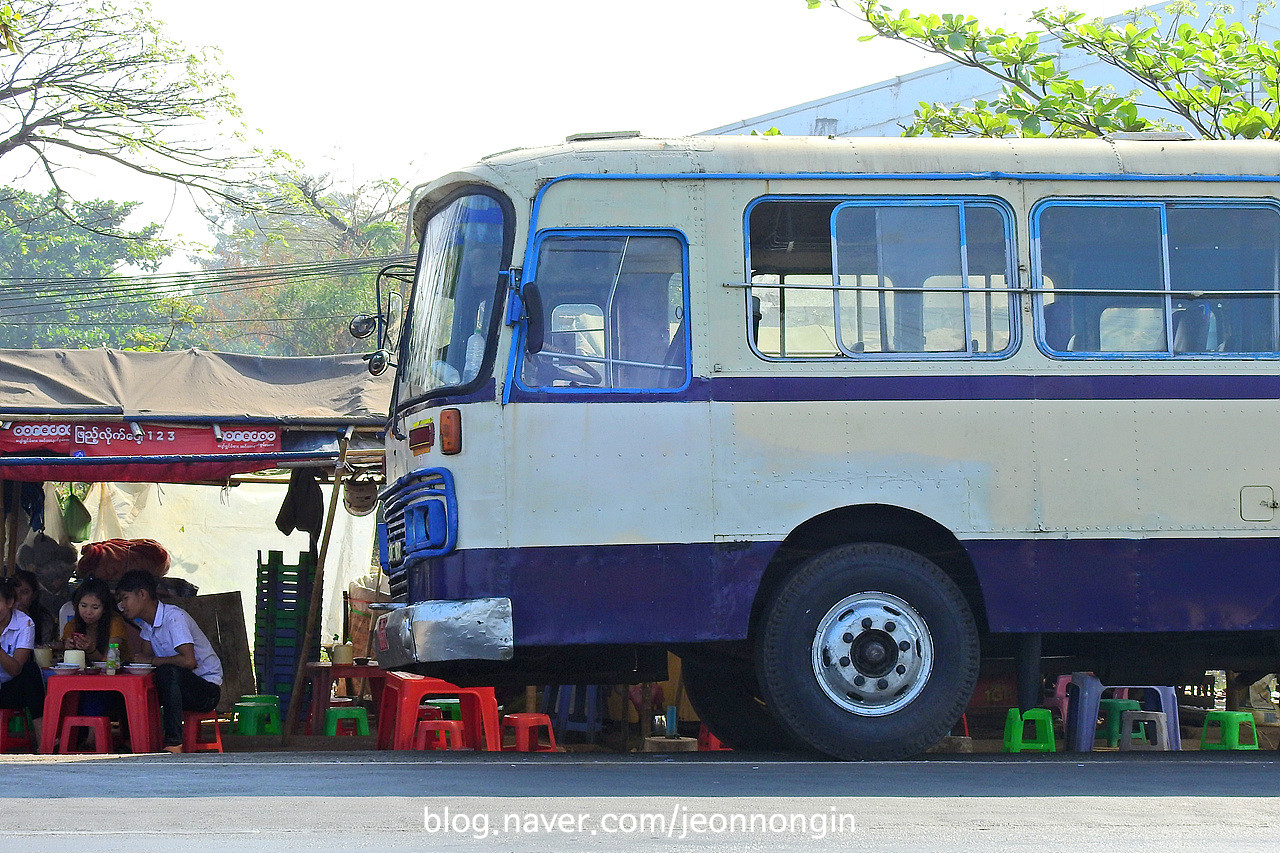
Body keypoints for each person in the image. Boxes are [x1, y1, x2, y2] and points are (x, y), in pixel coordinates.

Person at [115, 570, 221, 754]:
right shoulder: (148, 625)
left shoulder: (173, 618)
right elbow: (145, 664)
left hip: (206, 690)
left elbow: (189, 661)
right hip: (179, 687)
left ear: (142, 594)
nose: (122, 605)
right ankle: (133, 739)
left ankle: (174, 743)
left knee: (166, 671)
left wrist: (151, 660)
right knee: (131, 682)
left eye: (125, 598)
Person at [0, 577, 43, 749]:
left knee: (30, 671)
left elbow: (15, 669)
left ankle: (44, 741)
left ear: (10, 602)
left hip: (10, 688)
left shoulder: (24, 623)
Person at [61, 579, 131, 665]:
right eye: (83, 606)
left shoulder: (115, 623)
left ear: (105, 608)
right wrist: (68, 647)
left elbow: (110, 662)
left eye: (95, 607)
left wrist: (91, 650)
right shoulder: (72, 625)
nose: (88, 612)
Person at [13, 568, 56, 648]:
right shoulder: (3, 617)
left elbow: (43, 647)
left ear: (34, 595)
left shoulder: (44, 620)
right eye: (13, 592)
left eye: (24, 592)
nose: (18, 597)